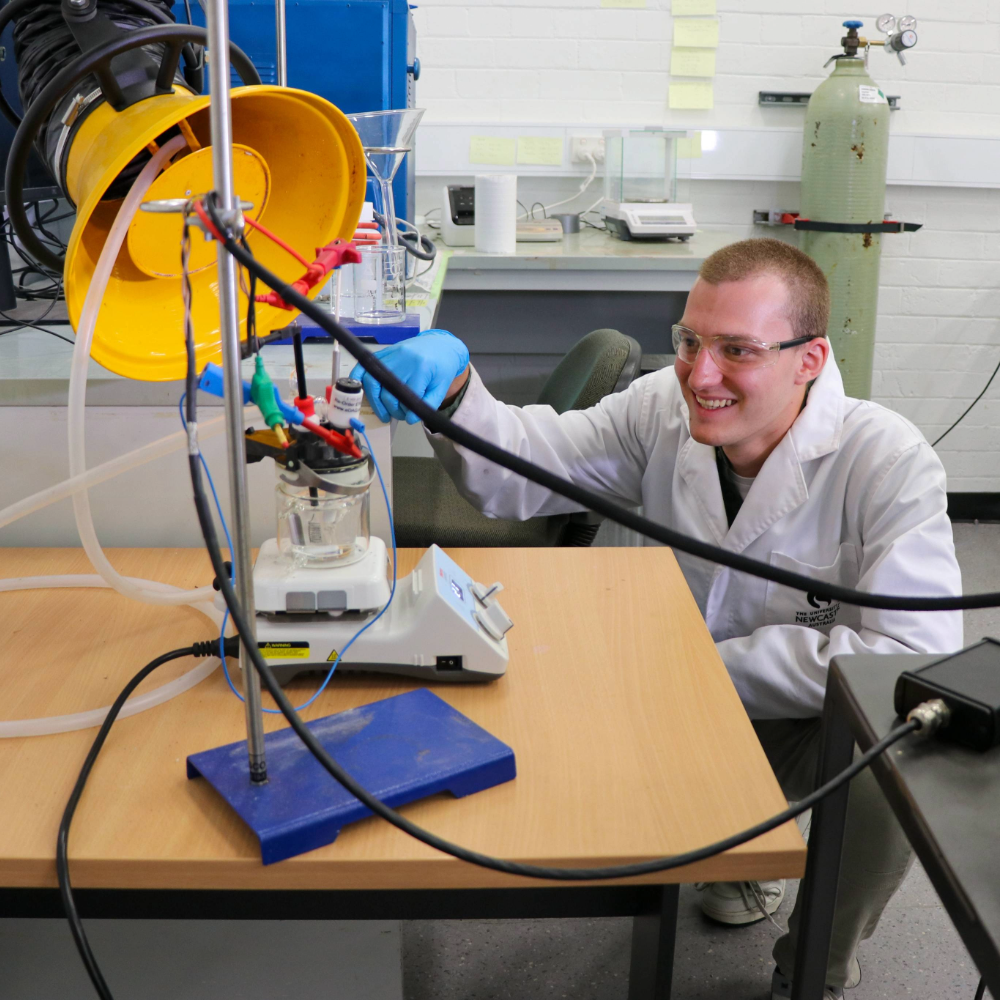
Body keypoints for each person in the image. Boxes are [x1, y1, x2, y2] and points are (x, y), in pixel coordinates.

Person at [352, 238, 963, 999]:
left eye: (736, 349)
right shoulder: (660, 408)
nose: (700, 374)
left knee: (899, 762)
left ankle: (815, 967)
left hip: (800, 718)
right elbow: (524, 473)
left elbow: (910, 654)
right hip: (668, 699)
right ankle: (728, 864)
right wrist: (451, 394)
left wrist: (700, 665)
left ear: (809, 359)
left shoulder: (886, 460)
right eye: (691, 341)